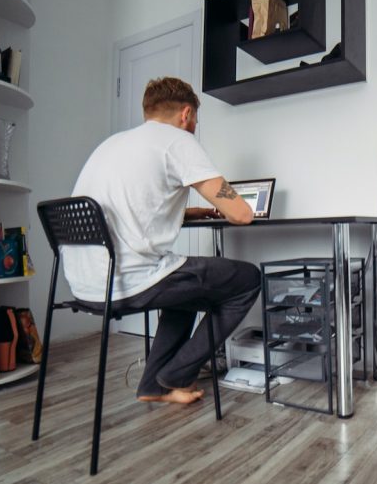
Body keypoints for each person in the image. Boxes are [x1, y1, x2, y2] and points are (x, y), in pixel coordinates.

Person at [63, 77, 260, 405]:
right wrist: (235, 202)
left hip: (85, 283)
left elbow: (130, 212)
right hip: (129, 282)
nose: (194, 126)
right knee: (247, 279)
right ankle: (176, 374)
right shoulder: (178, 142)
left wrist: (190, 213)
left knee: (184, 287)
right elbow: (241, 214)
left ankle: (154, 386)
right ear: (186, 114)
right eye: (195, 120)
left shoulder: (112, 144)